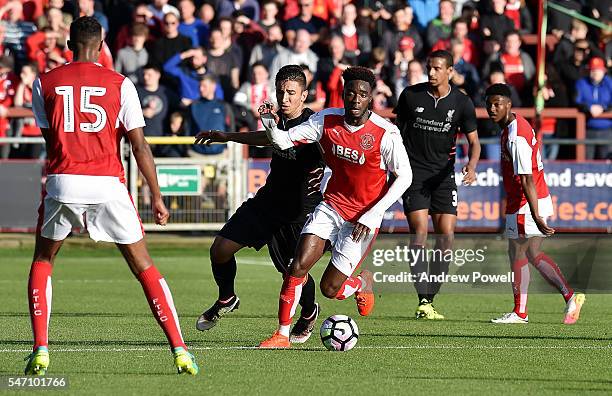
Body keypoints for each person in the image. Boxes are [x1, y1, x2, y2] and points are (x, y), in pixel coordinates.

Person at [25, 16, 198, 375]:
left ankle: (40, 347)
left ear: (70, 45)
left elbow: (51, 139)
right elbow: (139, 145)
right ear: (103, 46)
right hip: (107, 182)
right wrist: (157, 195)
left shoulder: (44, 83)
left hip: (63, 180)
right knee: (145, 267)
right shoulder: (121, 84)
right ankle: (180, 350)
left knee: (43, 260)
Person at [258, 66, 413, 348]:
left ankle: (360, 283)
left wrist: (374, 213)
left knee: (330, 289)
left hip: (363, 218)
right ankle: (281, 334)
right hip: (331, 207)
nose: (356, 98)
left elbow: (406, 176)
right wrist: (270, 122)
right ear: (343, 94)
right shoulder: (325, 120)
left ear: (370, 98)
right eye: (351, 92)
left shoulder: (386, 133)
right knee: (297, 265)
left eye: (362, 94)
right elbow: (282, 140)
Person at [193, 65, 324, 343]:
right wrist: (227, 136)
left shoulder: (316, 125)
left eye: (291, 93)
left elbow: (290, 144)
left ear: (304, 95)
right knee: (220, 250)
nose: (285, 98)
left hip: (298, 212)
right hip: (268, 202)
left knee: (293, 271)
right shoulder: (277, 122)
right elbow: (267, 139)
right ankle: (227, 297)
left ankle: (310, 311)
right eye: (281, 92)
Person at [485, 83, 586, 324]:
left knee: (519, 252)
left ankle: (520, 312)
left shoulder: (515, 136)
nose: (491, 109)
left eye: (497, 104)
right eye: (488, 104)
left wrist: (536, 213)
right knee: (531, 252)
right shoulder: (513, 126)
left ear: (509, 105)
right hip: (530, 199)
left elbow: (527, 178)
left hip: (526, 202)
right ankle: (570, 297)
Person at [394, 50, 480, 320]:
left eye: (437, 69)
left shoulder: (462, 103)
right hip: (414, 175)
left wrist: (472, 166)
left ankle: (430, 298)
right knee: (419, 234)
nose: (431, 73)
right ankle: (422, 299)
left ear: (450, 71)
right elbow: (396, 134)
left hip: (444, 177)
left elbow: (474, 142)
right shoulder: (410, 95)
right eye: (429, 68)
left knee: (446, 239)